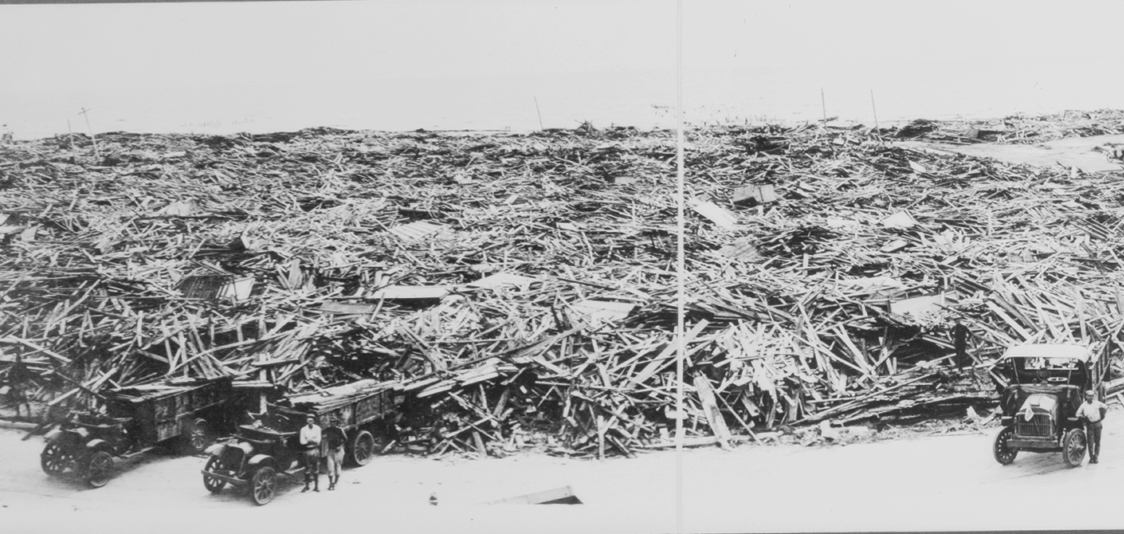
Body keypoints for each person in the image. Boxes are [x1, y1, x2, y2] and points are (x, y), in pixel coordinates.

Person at [1076, 390, 1108, 464]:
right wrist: (1083, 417)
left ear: (1093, 396)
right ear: (1086, 397)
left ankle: (1096, 457)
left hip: (1098, 424)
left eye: (1092, 396)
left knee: (1097, 442)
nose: (1090, 397)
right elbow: (1077, 414)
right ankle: (1091, 457)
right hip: (1090, 425)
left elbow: (1105, 407)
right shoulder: (1083, 405)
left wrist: (1103, 415)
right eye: (1088, 396)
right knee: (1090, 443)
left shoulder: (1097, 403)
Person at [321, 416, 347, 491]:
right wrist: (324, 437)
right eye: (331, 422)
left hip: (338, 451)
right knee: (330, 468)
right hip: (330, 451)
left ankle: (335, 482)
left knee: (338, 467)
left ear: (336, 423)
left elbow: (345, 439)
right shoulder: (328, 429)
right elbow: (321, 433)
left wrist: (340, 446)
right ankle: (331, 483)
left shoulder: (340, 430)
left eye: (334, 422)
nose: (332, 423)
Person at [299, 414, 322, 492]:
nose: (310, 422)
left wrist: (308, 440)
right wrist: (312, 440)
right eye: (309, 420)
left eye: (311, 420)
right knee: (307, 469)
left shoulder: (317, 428)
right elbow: (302, 442)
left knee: (315, 469)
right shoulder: (303, 429)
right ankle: (307, 486)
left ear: (314, 421)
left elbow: (318, 441)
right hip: (306, 450)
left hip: (315, 450)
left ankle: (316, 486)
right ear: (306, 421)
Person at [6, 354, 33, 419]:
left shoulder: (17, 366)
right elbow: (27, 374)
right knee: (21, 398)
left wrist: (14, 383)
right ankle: (25, 414)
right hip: (19, 384)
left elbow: (10, 376)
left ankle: (24, 414)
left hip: (19, 384)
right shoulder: (21, 366)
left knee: (20, 398)